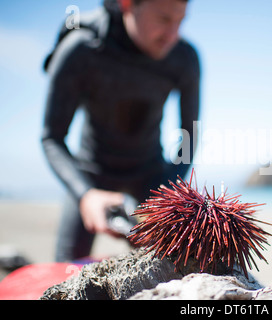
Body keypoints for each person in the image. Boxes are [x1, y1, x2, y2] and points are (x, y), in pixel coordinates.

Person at [41, 0, 200, 262]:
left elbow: (189, 137)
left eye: (180, 21)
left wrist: (168, 194)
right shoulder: (82, 49)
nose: (173, 35)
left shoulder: (185, 58)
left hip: (151, 175)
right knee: (66, 268)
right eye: (163, 19)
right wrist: (86, 194)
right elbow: (52, 138)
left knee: (175, 265)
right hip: (91, 173)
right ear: (127, 4)